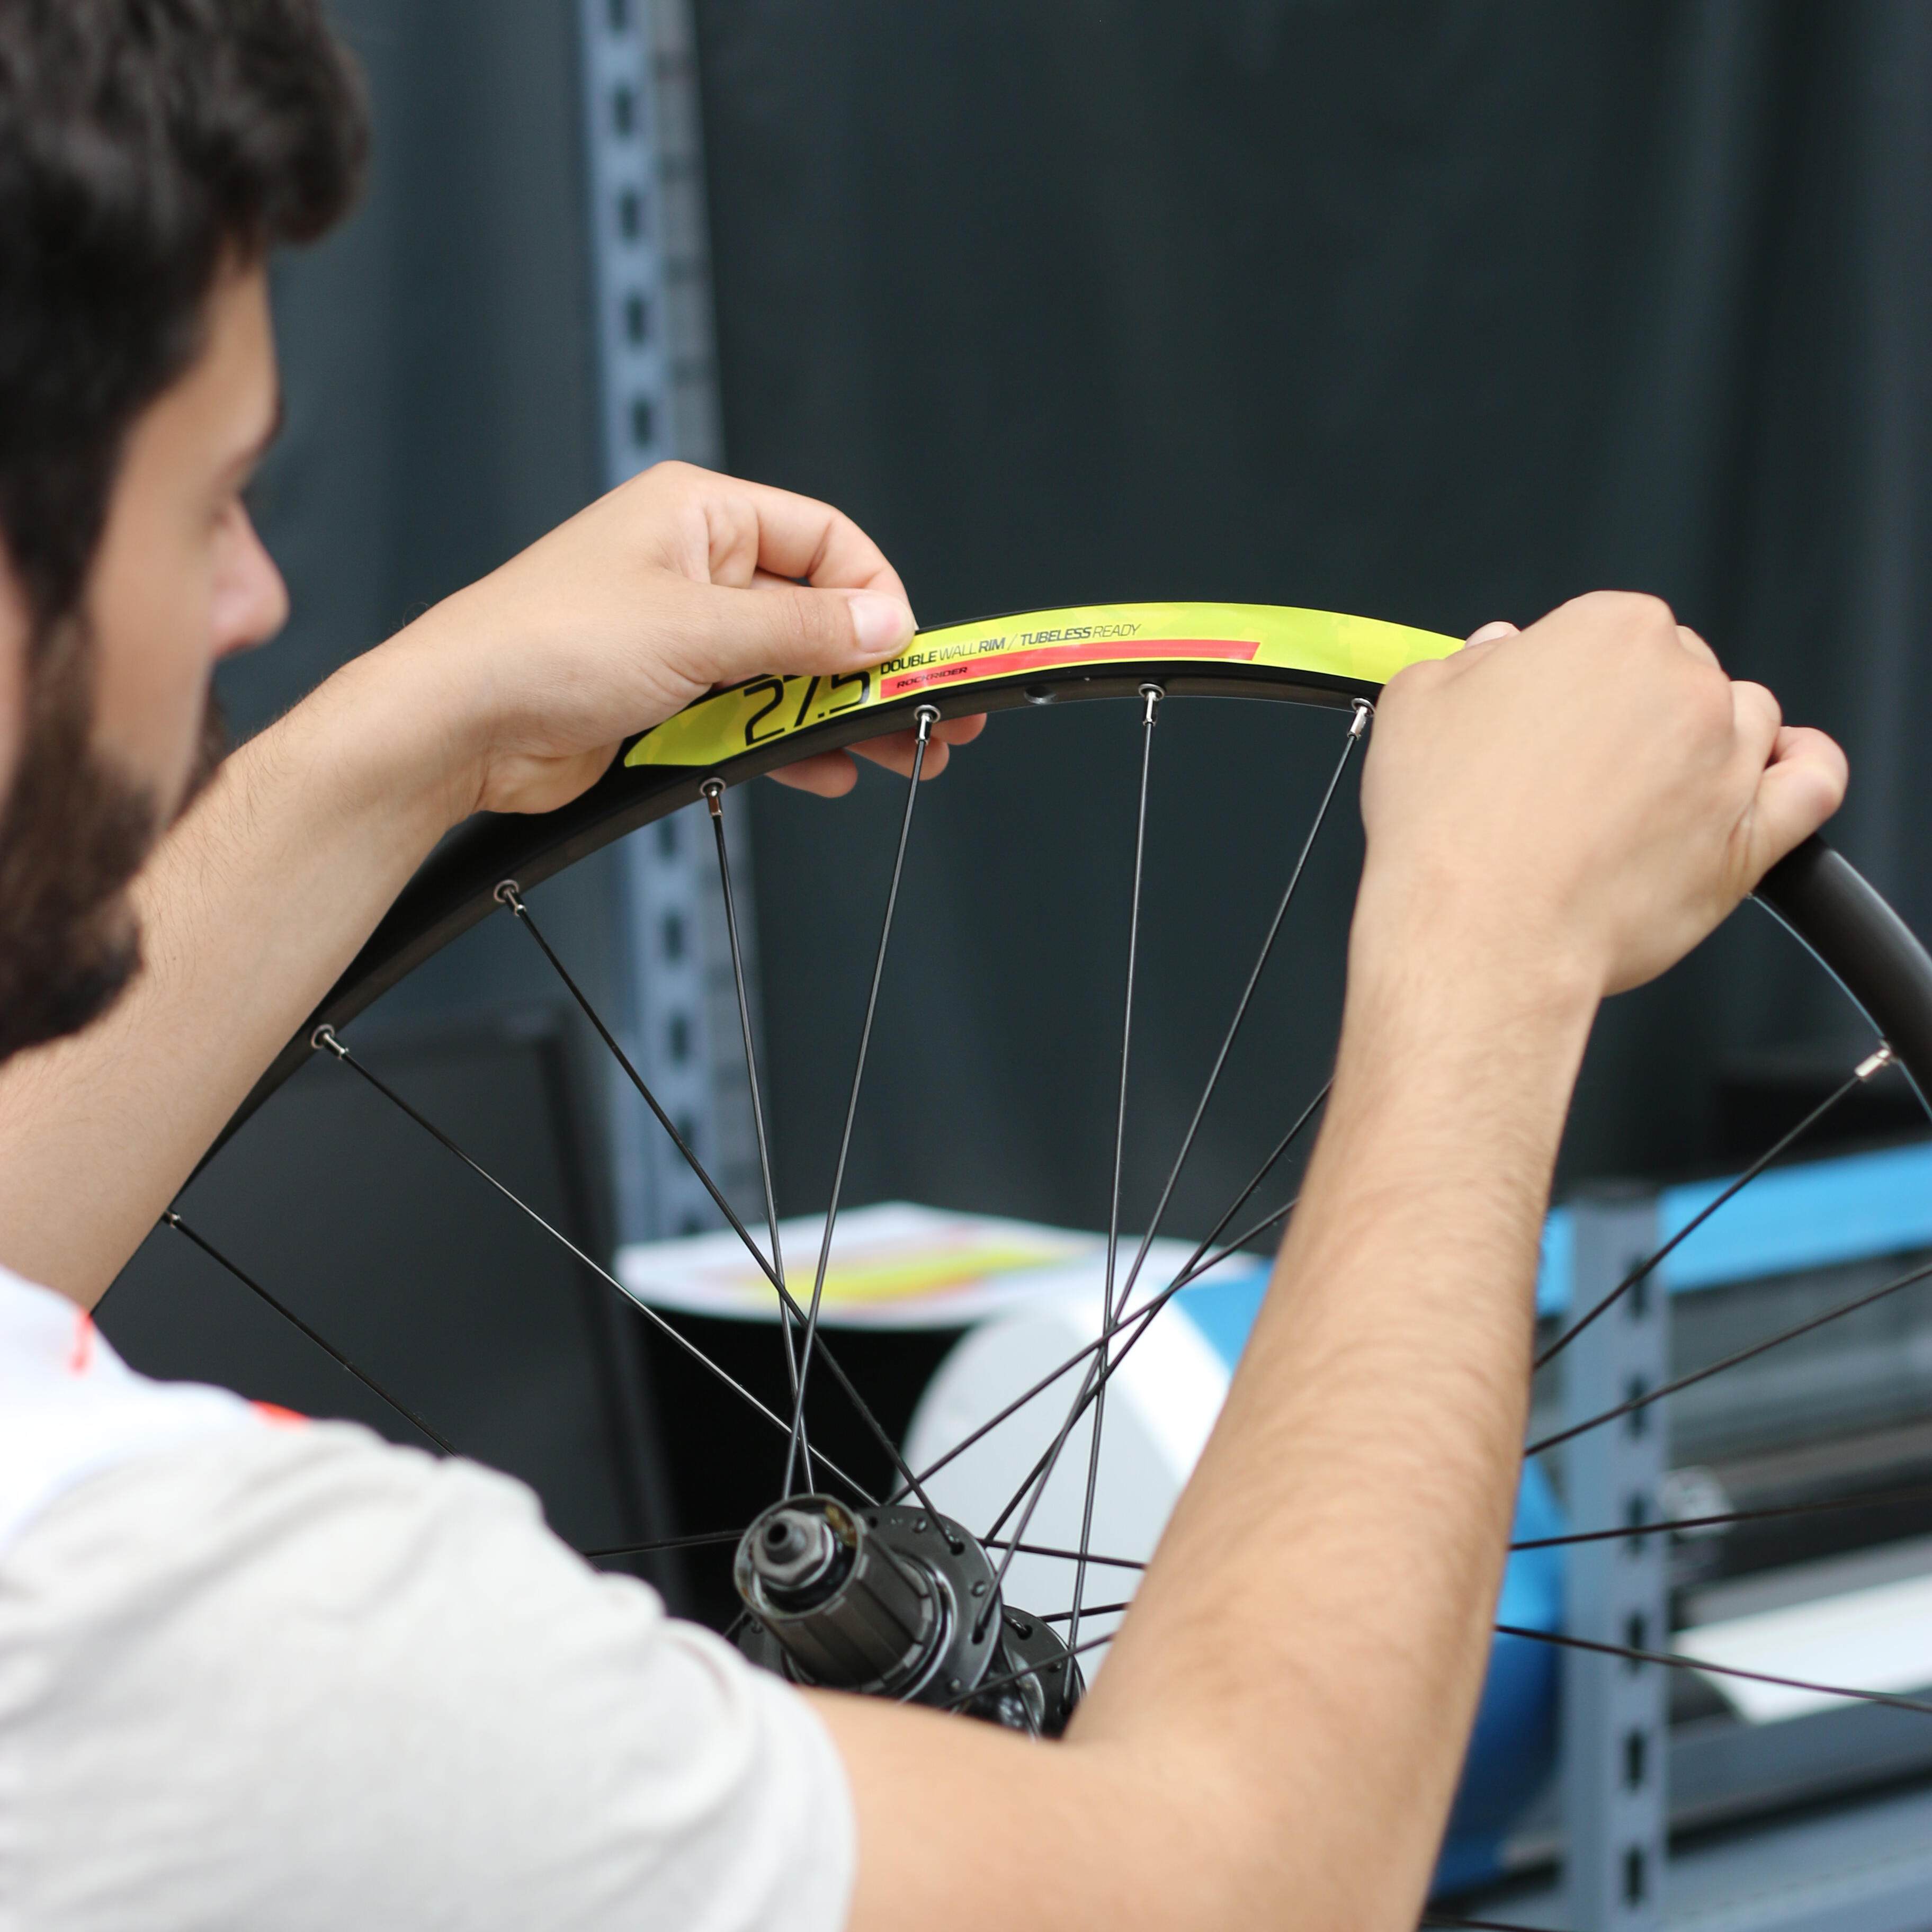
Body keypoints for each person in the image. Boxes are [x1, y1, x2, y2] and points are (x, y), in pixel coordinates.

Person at [0, 3, 1849, 1928]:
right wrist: (1491, 944)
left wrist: (421, 736)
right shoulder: (179, 1636)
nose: (256, 596)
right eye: (207, 498)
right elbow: (1240, 1893)